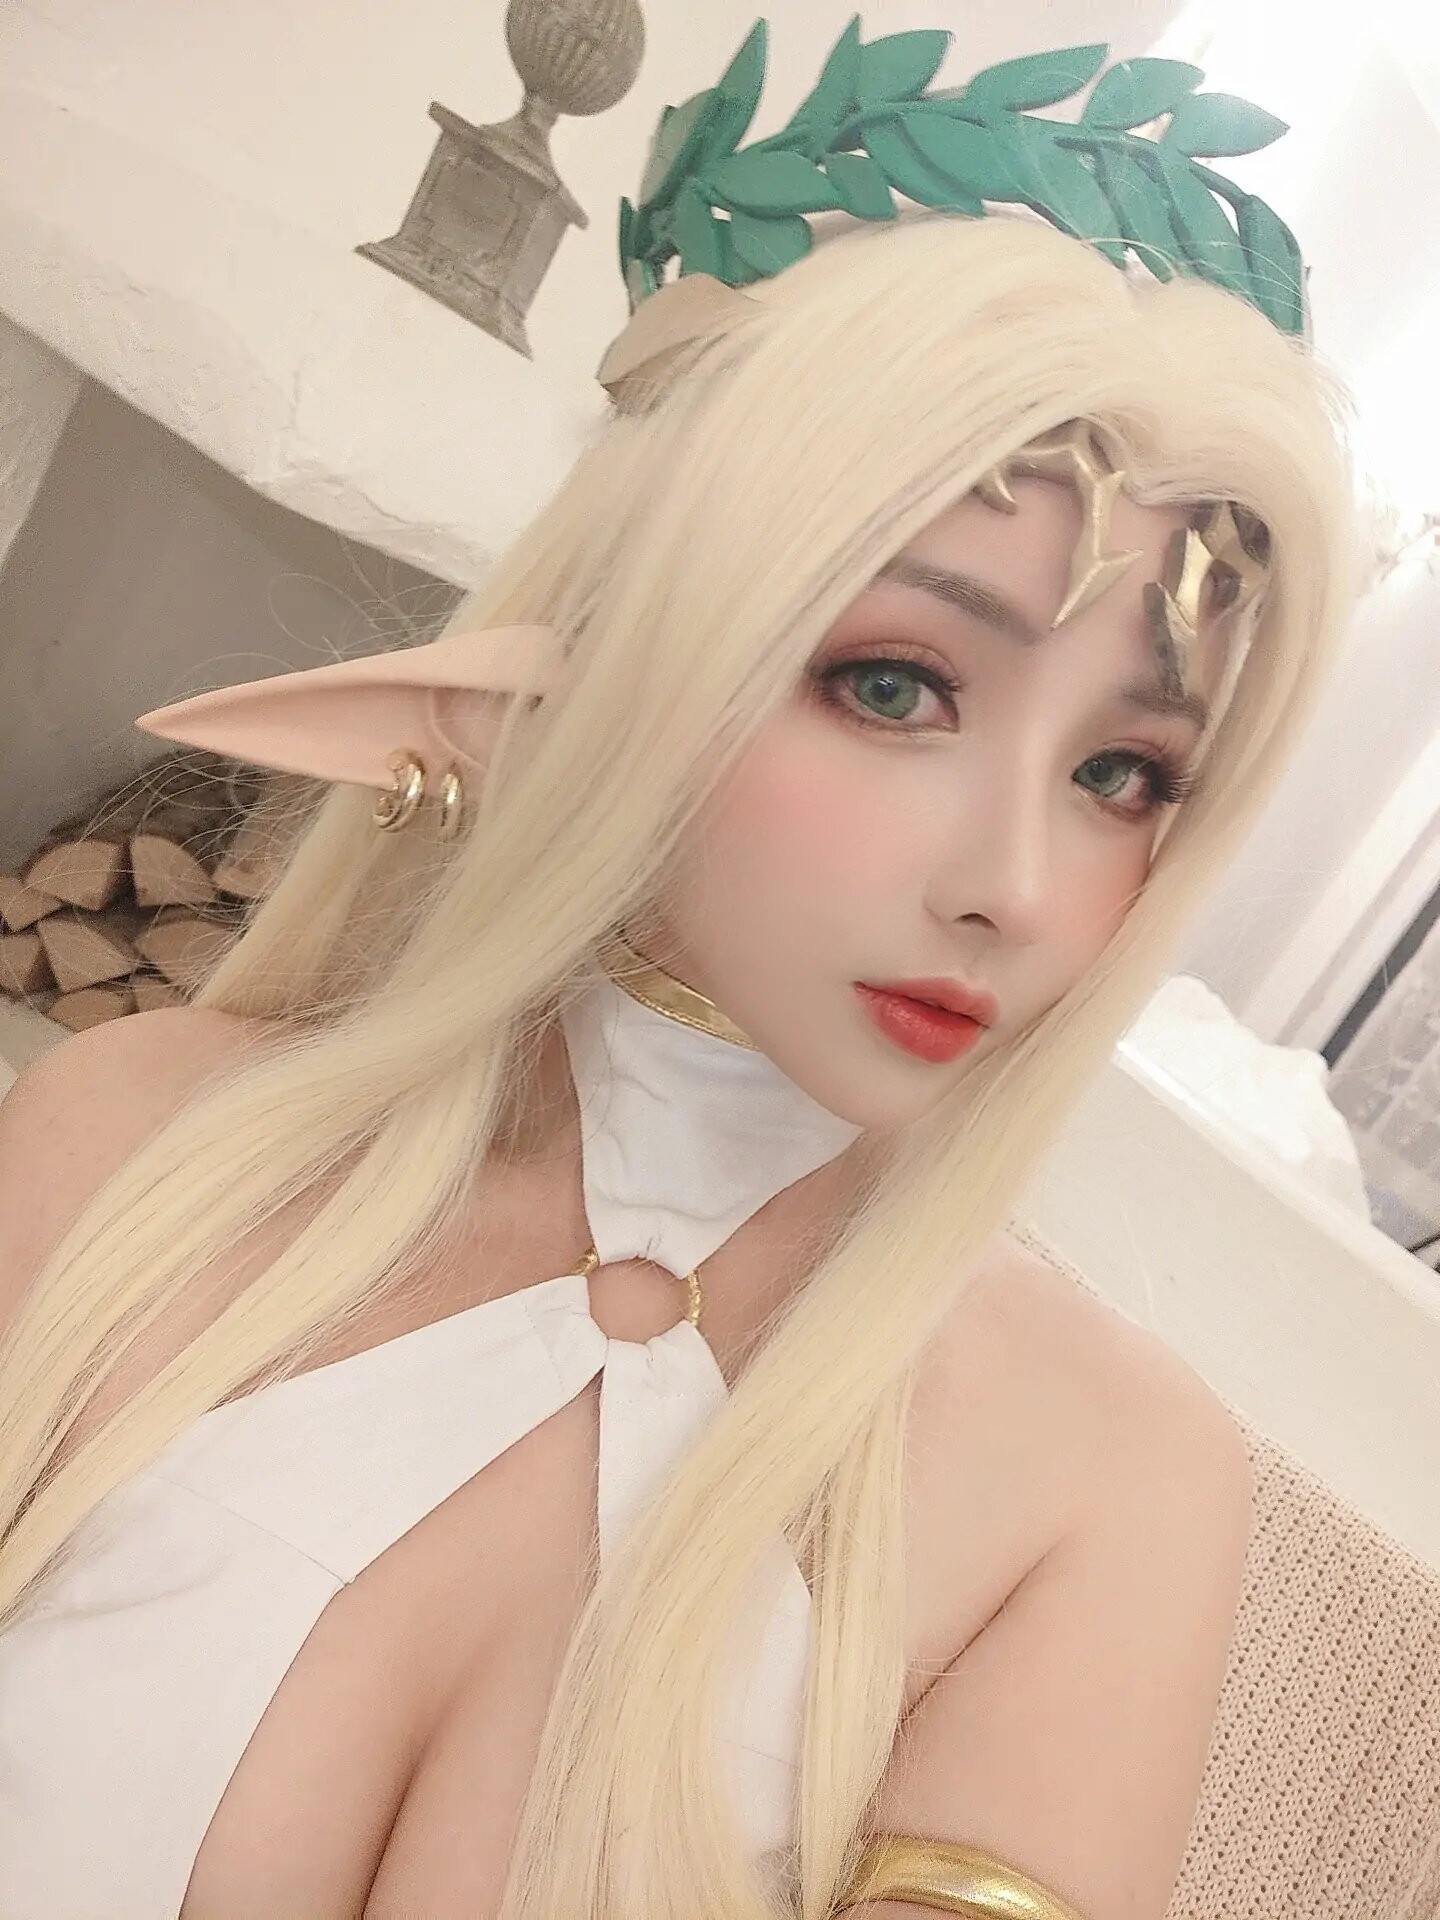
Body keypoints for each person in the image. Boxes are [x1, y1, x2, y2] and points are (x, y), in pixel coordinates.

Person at [0, 20, 1356, 1920]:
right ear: (642, 646)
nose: (1016, 885)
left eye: (1123, 775)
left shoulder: (1104, 1473)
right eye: (898, 687)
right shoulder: (129, 1150)